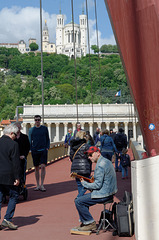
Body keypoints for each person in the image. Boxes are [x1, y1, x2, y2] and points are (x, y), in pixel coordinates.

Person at [72, 146, 117, 232]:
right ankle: (85, 222)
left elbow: (97, 185)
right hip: (110, 192)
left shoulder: (100, 165)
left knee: (78, 201)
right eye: (88, 155)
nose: (89, 157)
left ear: (98, 153)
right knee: (82, 200)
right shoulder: (106, 161)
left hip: (104, 194)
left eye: (91, 155)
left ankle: (89, 223)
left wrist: (84, 183)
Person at [0, 124, 22, 230]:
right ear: (12, 133)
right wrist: (17, 178)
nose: (16, 137)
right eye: (16, 134)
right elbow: (15, 163)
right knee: (14, 196)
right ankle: (7, 219)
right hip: (9, 175)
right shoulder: (13, 145)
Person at [29, 115, 50, 192]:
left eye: (38, 120)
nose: (37, 121)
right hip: (35, 150)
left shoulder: (44, 129)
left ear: (40, 120)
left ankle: (42, 184)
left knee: (43, 166)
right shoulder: (31, 130)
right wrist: (31, 149)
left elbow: (48, 138)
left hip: (43, 150)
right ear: (34, 121)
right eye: (36, 120)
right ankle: (37, 185)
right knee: (36, 168)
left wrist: (47, 147)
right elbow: (29, 140)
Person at [70, 130, 92, 198]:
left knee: (79, 185)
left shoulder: (73, 146)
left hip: (75, 168)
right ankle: (79, 197)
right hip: (85, 168)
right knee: (86, 184)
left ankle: (80, 199)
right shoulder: (86, 146)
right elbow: (89, 157)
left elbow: (71, 157)